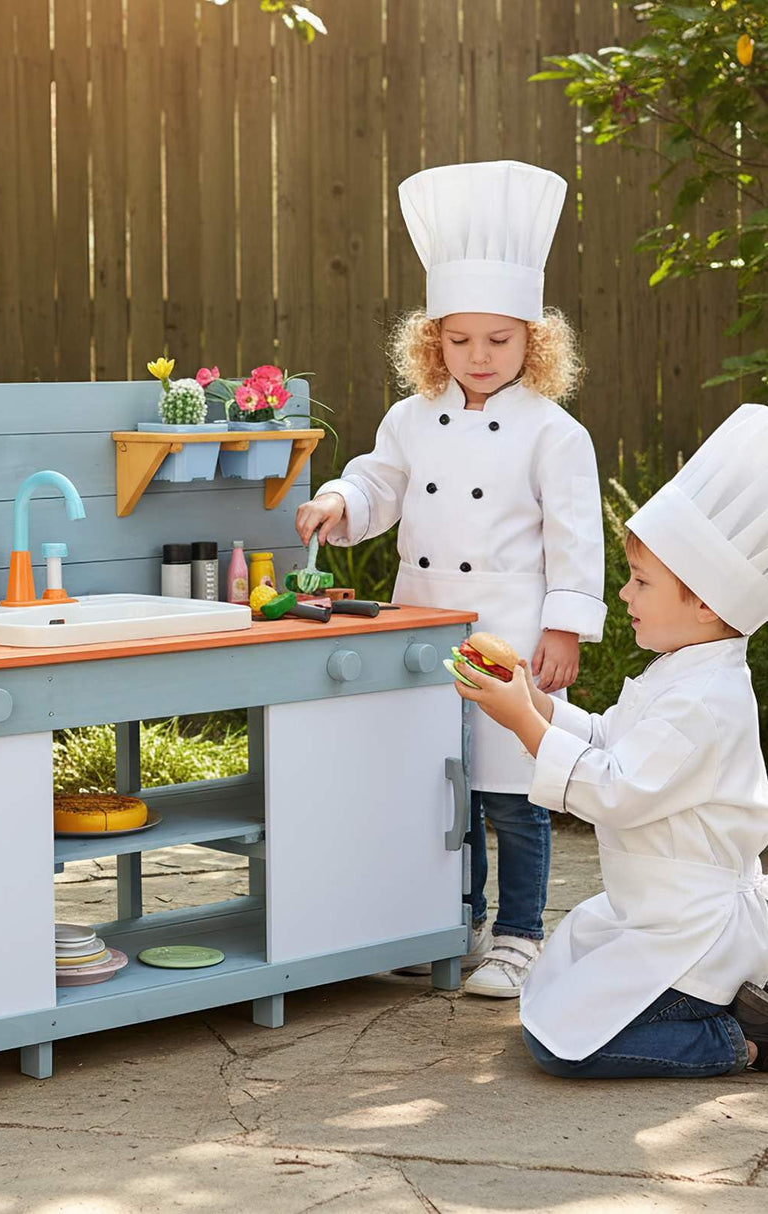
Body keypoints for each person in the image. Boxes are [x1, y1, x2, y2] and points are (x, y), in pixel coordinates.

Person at [296, 161, 606, 997]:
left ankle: (519, 935)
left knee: (516, 793)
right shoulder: (407, 419)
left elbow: (578, 540)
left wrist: (565, 630)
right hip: (425, 628)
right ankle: (454, 919)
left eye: (498, 341)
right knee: (446, 789)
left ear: (533, 342)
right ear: (431, 341)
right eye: (458, 340)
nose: (477, 356)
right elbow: (380, 485)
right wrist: (338, 499)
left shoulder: (555, 433)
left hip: (512, 634)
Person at [453, 403, 768, 1075]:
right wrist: (539, 701)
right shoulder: (682, 671)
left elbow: (617, 790)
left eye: (642, 582)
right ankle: (724, 1011)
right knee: (554, 996)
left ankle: (733, 1042)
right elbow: (609, 739)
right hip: (653, 914)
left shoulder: (707, 702)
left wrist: (523, 723)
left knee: (565, 1048)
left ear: (708, 603)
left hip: (690, 934)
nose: (624, 595)